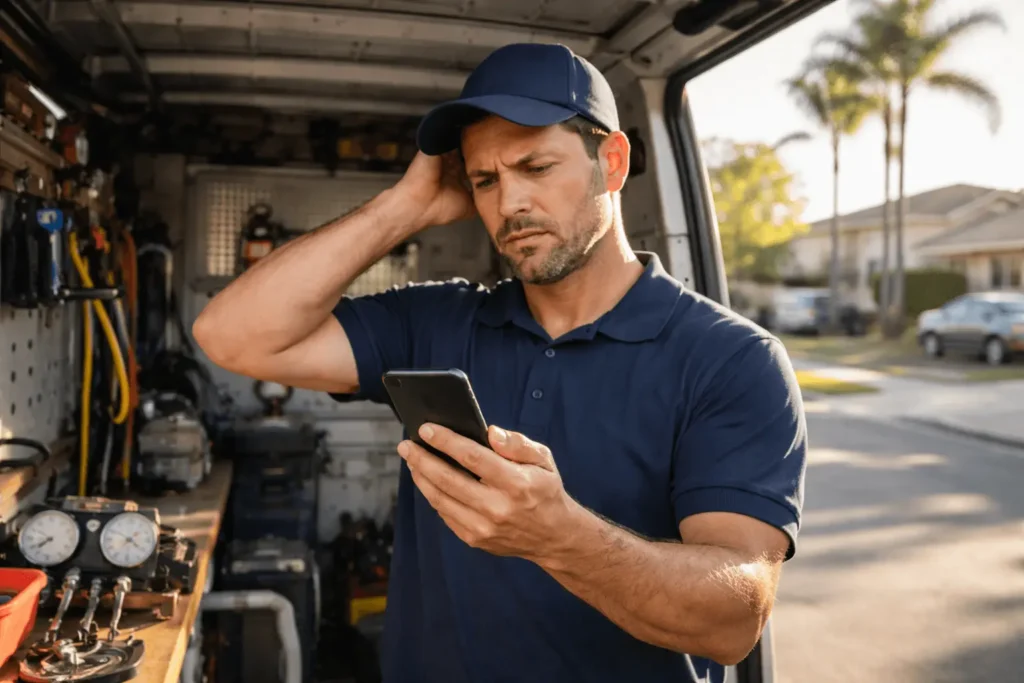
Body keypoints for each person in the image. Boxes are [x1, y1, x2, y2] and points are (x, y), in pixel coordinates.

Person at [194, 42, 807, 683]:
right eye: (485, 180)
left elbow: (733, 622)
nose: (509, 202)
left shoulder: (732, 360)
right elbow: (231, 335)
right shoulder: (437, 321)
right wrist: (405, 207)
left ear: (613, 162)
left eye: (536, 166)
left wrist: (558, 536)